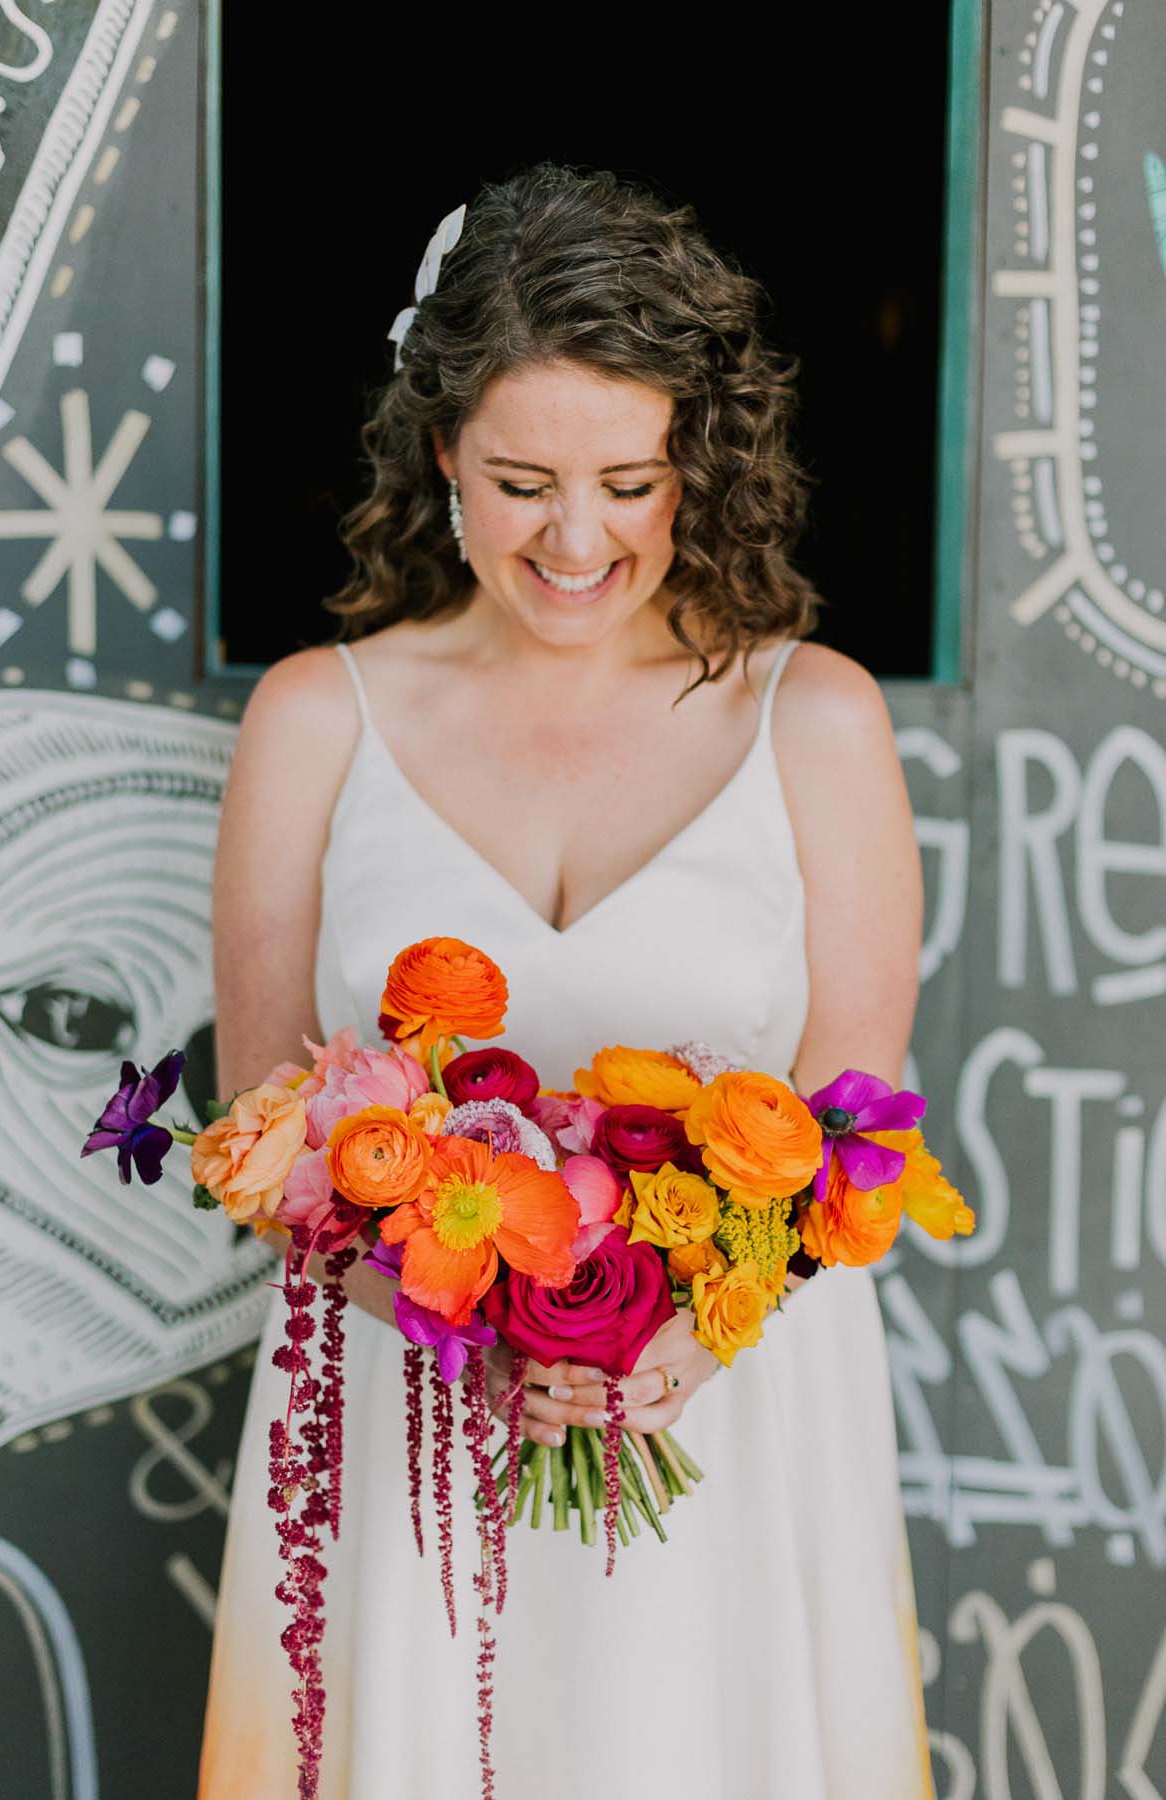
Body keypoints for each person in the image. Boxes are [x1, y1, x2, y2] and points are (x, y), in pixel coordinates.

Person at [197, 161, 932, 1798]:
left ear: (701, 469)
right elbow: (262, 1115)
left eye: (631, 479)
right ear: (441, 450)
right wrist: (465, 1328)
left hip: (728, 1421)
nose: (578, 538)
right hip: (397, 1417)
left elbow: (860, 1109)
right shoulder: (317, 720)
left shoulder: (813, 720)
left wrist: (695, 1332)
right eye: (522, 480)